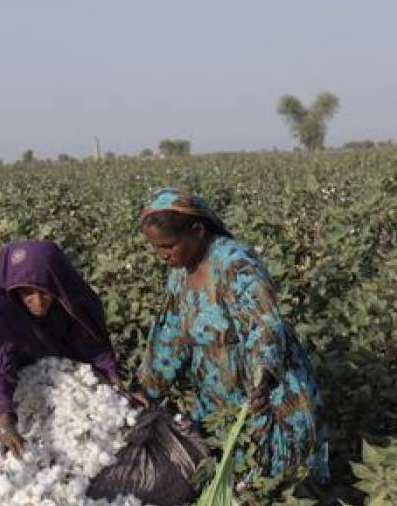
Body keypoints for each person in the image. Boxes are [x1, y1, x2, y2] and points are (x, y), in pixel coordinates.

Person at [137, 188, 328, 482]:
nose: (162, 255)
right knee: (222, 476)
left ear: (198, 231)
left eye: (168, 246)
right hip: (215, 397)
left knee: (270, 480)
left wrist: (261, 379)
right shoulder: (179, 272)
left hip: (264, 392)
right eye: (157, 248)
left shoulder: (235, 263)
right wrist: (148, 391)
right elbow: (171, 335)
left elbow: (263, 324)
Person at [0, 239, 124, 456]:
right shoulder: (4, 311)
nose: (37, 301)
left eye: (44, 292)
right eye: (26, 292)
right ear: (13, 290)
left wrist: (114, 381)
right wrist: (5, 425)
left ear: (56, 284)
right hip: (20, 382)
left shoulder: (70, 298)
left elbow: (92, 343)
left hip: (67, 377)